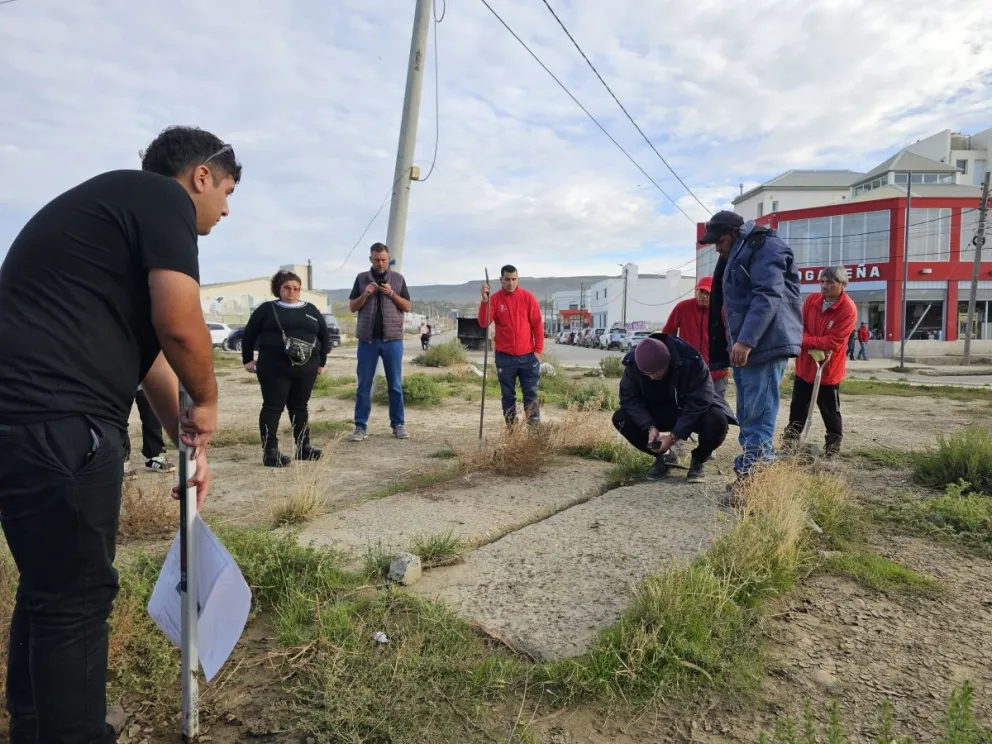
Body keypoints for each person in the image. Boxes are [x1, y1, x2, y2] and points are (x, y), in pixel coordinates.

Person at [0, 125, 238, 741]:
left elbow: (155, 355)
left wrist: (188, 441)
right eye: (228, 192)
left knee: (50, 587)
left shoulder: (108, 216)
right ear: (202, 175)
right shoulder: (163, 201)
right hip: (62, 424)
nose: (226, 210)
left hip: (25, 423)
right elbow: (180, 324)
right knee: (76, 599)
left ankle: (37, 725)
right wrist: (209, 400)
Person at [702, 210, 803, 496]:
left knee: (759, 412)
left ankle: (755, 481)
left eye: (719, 240)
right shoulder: (739, 250)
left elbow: (768, 294)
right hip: (748, 346)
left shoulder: (765, 245)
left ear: (734, 232)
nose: (717, 247)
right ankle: (751, 475)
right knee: (748, 413)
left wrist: (746, 340)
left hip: (763, 344)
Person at [612, 334, 734, 483]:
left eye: (656, 372)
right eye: (647, 374)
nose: (651, 377)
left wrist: (673, 436)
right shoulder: (634, 364)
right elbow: (629, 400)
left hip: (688, 410)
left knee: (718, 420)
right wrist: (649, 426)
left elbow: (701, 401)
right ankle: (665, 456)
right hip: (659, 411)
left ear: (667, 362)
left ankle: (699, 459)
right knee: (622, 419)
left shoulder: (691, 360)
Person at [241, 270, 329, 466]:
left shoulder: (311, 309)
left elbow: (324, 336)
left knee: (300, 407)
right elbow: (249, 334)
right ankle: (270, 451)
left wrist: (321, 362)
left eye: (296, 288)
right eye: (287, 288)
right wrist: (247, 359)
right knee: (273, 407)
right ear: (278, 289)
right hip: (273, 367)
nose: (292, 292)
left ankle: (303, 448)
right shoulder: (266, 309)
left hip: (306, 368)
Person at [782, 266, 857, 460]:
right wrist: (807, 341)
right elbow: (799, 326)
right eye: (822, 281)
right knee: (798, 407)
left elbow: (833, 342)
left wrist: (804, 341)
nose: (824, 286)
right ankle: (789, 442)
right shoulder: (812, 300)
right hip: (805, 366)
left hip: (828, 370)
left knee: (830, 410)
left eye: (830, 282)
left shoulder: (847, 309)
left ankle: (832, 449)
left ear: (843, 284)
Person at [346, 243, 412, 441]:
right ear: (371, 259)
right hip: (367, 341)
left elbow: (407, 306)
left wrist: (391, 293)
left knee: (395, 385)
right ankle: (360, 426)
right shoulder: (361, 279)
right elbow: (352, 307)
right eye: (376, 259)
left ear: (388, 258)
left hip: (392, 340)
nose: (380, 263)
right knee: (364, 384)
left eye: (383, 259)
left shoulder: (398, 279)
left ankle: (398, 425)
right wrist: (365, 294)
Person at [479, 265, 544, 425]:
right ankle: (511, 430)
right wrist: (484, 301)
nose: (510, 283)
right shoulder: (494, 299)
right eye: (507, 279)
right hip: (505, 358)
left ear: (518, 279)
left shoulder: (527, 297)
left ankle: (533, 434)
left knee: (530, 395)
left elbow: (537, 324)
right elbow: (483, 322)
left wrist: (538, 351)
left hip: (528, 357)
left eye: (514, 279)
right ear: (501, 280)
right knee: (508, 396)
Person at [662, 276, 731, 401]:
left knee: (716, 408)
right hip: (689, 370)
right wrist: (675, 357)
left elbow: (730, 336)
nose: (704, 296)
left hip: (716, 371)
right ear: (696, 291)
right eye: (701, 292)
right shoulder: (682, 307)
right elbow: (668, 334)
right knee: (688, 406)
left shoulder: (722, 311)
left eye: (707, 293)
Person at [124, 386, 176, 473]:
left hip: (144, 378)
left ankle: (154, 455)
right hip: (119, 378)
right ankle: (122, 459)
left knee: (152, 411)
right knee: (119, 416)